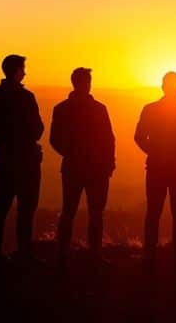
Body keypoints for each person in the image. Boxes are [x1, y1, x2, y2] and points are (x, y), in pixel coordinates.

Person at [134, 71, 176, 272]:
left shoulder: (151, 109)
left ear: (163, 87)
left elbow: (139, 137)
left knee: (154, 213)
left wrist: (154, 151)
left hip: (157, 166)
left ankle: (150, 257)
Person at [51, 67, 116, 267]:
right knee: (93, 212)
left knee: (72, 211)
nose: (88, 84)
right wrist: (108, 162)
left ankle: (65, 255)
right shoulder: (98, 108)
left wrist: (71, 154)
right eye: (87, 81)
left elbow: (55, 140)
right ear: (83, 83)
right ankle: (92, 255)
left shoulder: (61, 108)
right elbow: (109, 138)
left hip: (76, 167)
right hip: (94, 168)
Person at [0, 54, 44, 264]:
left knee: (1, 206)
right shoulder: (26, 97)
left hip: (4, 160)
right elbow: (38, 129)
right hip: (27, 160)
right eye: (23, 69)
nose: (25, 72)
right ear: (17, 71)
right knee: (26, 208)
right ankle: (24, 253)